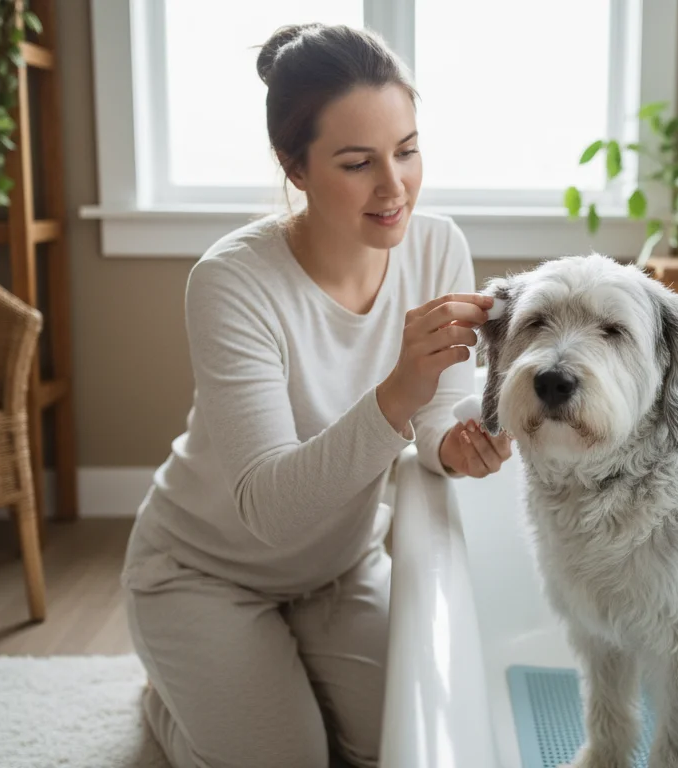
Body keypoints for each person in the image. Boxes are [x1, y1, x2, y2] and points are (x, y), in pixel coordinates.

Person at [120, 22, 513, 768]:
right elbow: (269, 509)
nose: (394, 186)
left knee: (398, 745)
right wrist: (397, 393)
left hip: (339, 567)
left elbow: (434, 420)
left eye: (407, 150)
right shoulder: (232, 282)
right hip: (204, 572)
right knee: (289, 761)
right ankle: (167, 702)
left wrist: (456, 446)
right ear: (295, 167)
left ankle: (267, 679)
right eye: (358, 162)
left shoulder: (437, 246)